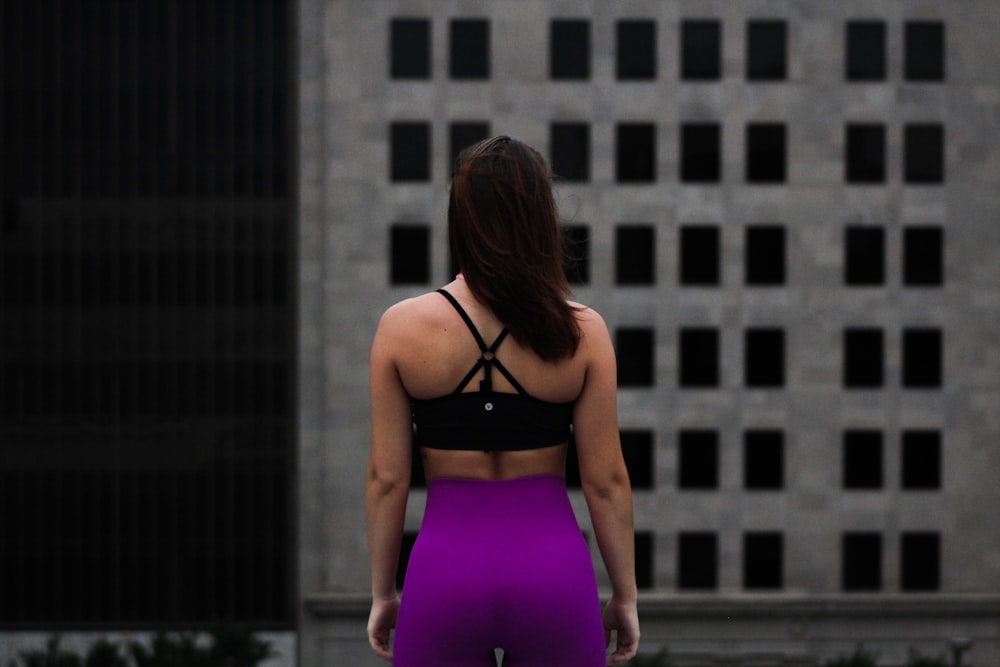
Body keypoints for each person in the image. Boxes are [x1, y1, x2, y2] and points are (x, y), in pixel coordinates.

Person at [365, 136, 639, 666]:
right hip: (553, 576)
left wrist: (383, 593)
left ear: (460, 219)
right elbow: (606, 482)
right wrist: (625, 596)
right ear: (541, 218)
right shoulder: (582, 330)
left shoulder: (401, 329)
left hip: (443, 578)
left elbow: (387, 478)